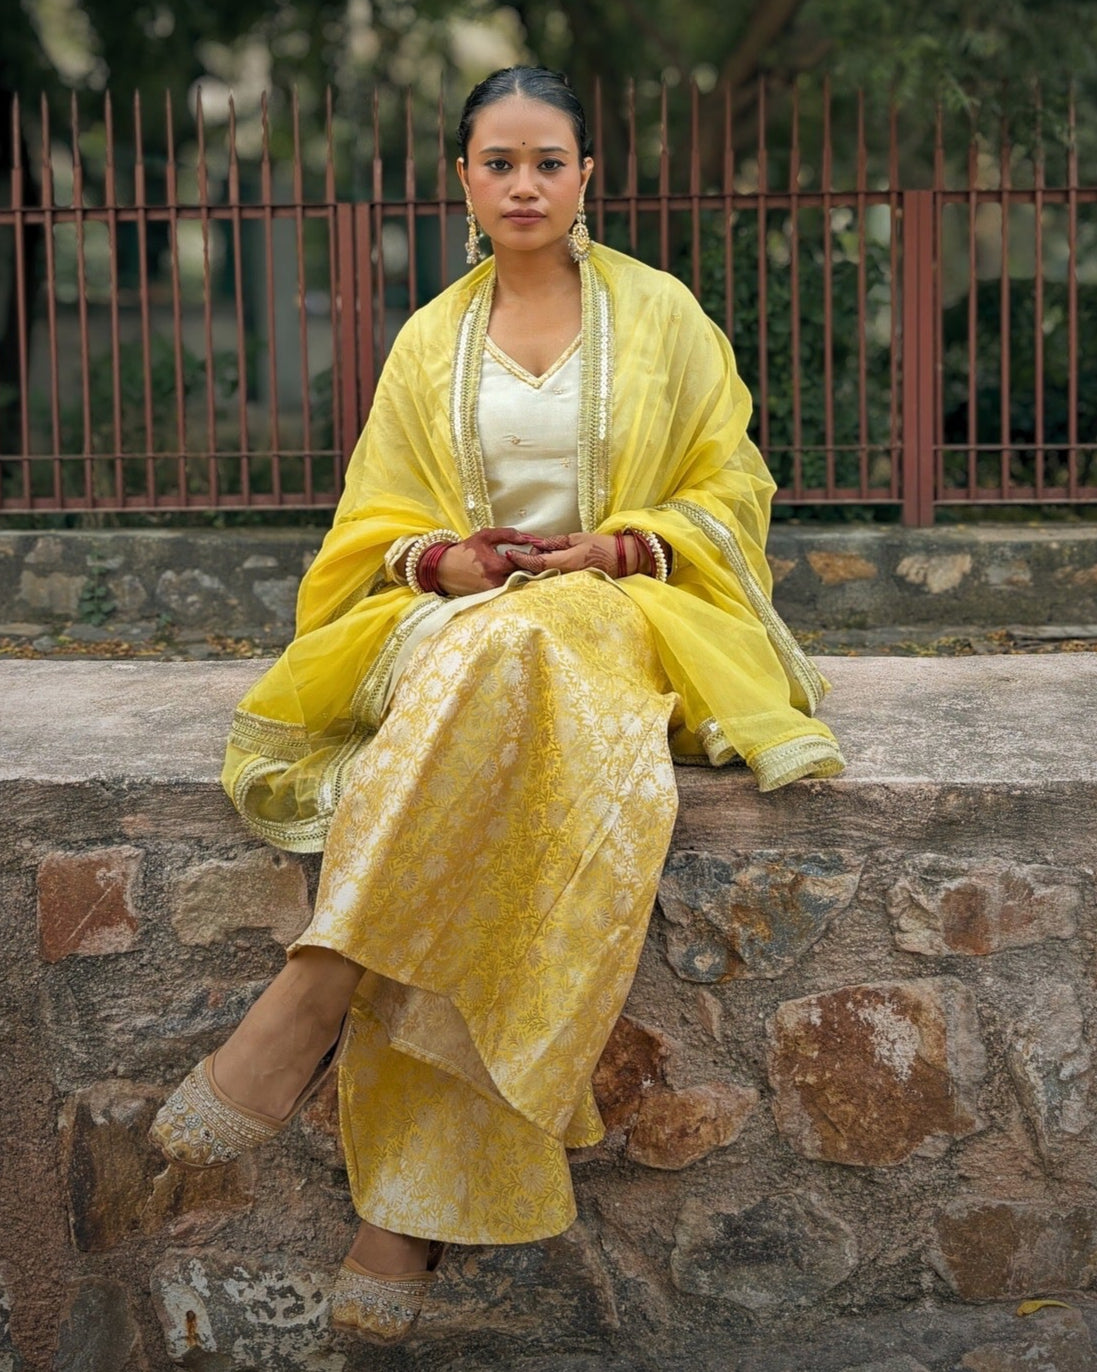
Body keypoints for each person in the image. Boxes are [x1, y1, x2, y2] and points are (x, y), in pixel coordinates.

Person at [149, 65, 845, 1344]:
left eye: (547, 161)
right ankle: (401, 1215)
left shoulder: (666, 317)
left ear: (589, 175)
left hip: (615, 621)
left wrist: (621, 547)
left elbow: (727, 487)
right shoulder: (430, 338)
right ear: (461, 182)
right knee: (500, 689)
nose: (522, 184)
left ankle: (320, 988)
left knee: (525, 661)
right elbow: (376, 521)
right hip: (454, 633)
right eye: (496, 163)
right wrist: (445, 561)